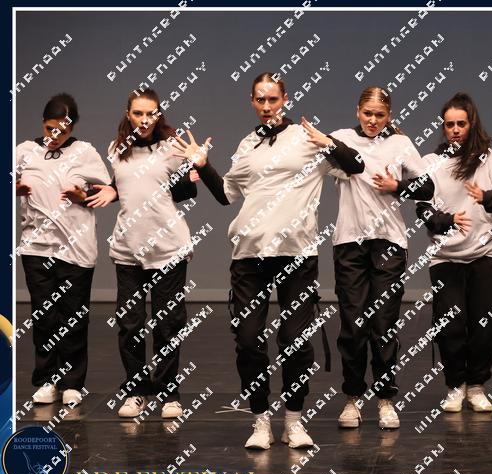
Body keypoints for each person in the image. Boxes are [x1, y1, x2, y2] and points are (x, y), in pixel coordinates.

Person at [185, 72, 364, 449]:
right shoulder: (247, 144)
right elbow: (226, 195)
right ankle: (260, 421)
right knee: (248, 341)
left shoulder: (307, 138)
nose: (267, 106)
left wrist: (329, 143)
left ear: (285, 99)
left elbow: (356, 166)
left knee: (295, 341)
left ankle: (294, 421)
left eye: (273, 99)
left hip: (297, 256)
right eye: (260, 99)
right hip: (249, 257)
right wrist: (203, 164)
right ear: (252, 102)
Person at [303, 86, 434, 430]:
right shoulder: (342, 139)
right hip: (350, 242)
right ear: (357, 111)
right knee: (352, 325)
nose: (373, 120)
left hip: (389, 242)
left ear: (389, 116)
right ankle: (352, 398)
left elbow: (428, 188)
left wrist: (397, 187)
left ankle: (386, 399)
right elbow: (326, 165)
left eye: (380, 115)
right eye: (367, 113)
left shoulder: (400, 144)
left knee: (383, 325)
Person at [85, 88, 205, 419]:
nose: (144, 119)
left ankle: (169, 394)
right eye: (138, 113)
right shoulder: (116, 149)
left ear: (158, 115)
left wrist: (191, 171)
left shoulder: (172, 148)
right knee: (130, 325)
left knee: (168, 324)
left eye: (150, 113)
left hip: (168, 248)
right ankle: (137, 391)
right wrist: (111, 189)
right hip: (128, 249)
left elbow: (183, 191)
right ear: (128, 114)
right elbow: (125, 185)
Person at [415, 92, 492, 413]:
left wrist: (485, 196)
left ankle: (477, 385)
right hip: (445, 256)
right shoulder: (431, 162)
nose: (455, 129)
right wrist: (446, 220)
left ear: (471, 124)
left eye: (461, 123)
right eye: (449, 125)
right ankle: (455, 385)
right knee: (451, 324)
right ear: (443, 128)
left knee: (485, 324)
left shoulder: (489, 157)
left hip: (486, 253)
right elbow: (423, 209)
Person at [16, 93, 111, 406]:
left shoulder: (84, 152)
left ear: (72, 128)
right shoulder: (25, 151)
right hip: (36, 247)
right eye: (50, 129)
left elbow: (109, 189)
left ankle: (72, 382)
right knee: (44, 316)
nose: (55, 136)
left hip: (76, 248)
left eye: (63, 131)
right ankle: (46, 380)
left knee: (73, 317)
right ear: (42, 123)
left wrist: (82, 195)